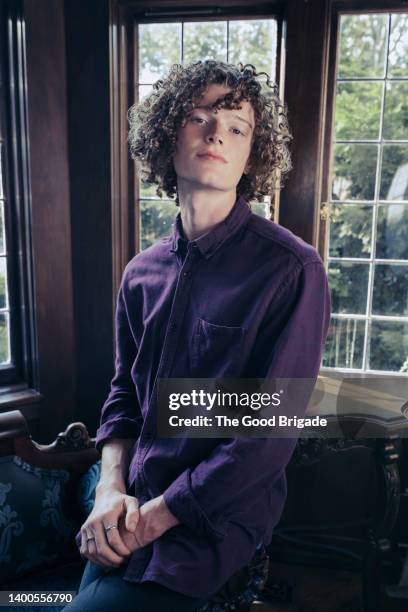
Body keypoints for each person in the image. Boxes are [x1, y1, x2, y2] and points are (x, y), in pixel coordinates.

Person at [65, 60, 331, 610]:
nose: (217, 133)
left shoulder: (292, 270)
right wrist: (109, 487)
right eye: (199, 116)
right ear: (167, 135)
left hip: (210, 531)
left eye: (237, 127)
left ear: (253, 154)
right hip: (127, 510)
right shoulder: (140, 273)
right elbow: (122, 397)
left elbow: (265, 439)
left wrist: (155, 517)